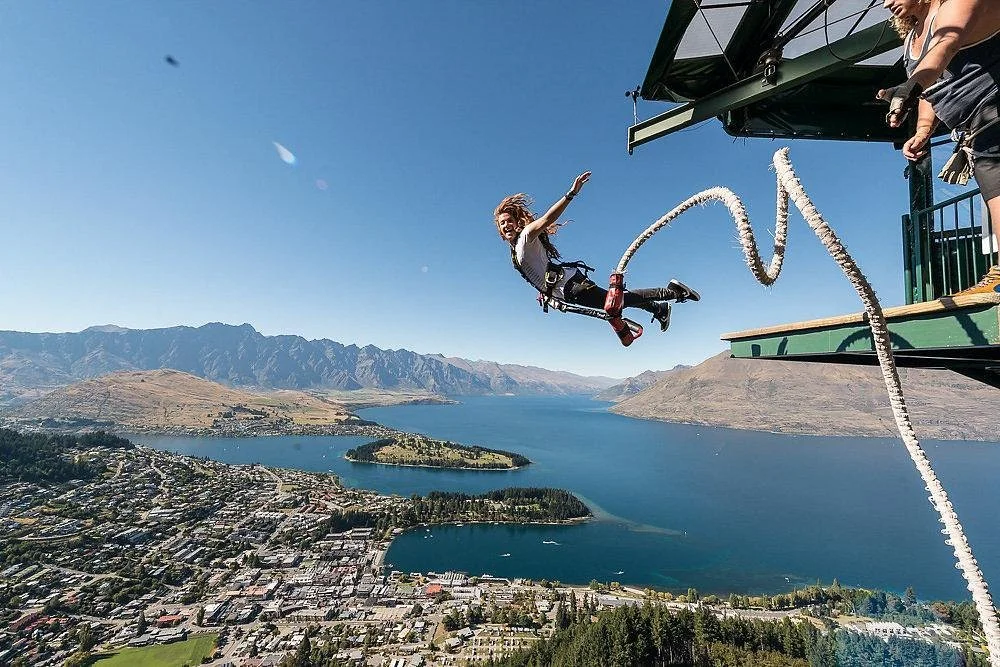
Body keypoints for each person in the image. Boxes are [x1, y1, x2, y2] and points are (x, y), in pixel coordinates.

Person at [879, 0, 1000, 293]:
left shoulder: (957, 4)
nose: (886, 3)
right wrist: (922, 130)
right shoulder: (911, 39)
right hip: (978, 131)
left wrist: (913, 85)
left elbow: (947, 44)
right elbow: (930, 90)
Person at [493, 171, 699, 332]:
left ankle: (673, 293)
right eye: (502, 224)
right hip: (565, 288)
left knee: (616, 303)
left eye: (509, 221)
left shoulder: (526, 235)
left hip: (571, 287)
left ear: (517, 223)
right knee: (617, 302)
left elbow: (548, 218)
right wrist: (544, 292)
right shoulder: (516, 250)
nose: (506, 226)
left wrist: (570, 194)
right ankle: (658, 308)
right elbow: (537, 269)